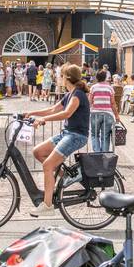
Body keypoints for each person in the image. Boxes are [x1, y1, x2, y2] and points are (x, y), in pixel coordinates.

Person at [27, 64, 91, 217]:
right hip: (67, 133)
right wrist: (30, 113)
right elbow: (52, 109)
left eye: (60, 76)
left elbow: (67, 114)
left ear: (66, 78)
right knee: (38, 152)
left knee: (48, 165)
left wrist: (43, 120)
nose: (58, 78)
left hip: (76, 136)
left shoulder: (78, 95)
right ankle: (67, 177)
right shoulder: (69, 94)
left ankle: (48, 205)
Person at [89, 70, 119, 152]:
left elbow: (90, 102)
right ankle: (104, 155)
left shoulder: (93, 88)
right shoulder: (110, 88)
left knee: (94, 134)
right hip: (108, 114)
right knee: (105, 136)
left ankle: (97, 154)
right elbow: (113, 103)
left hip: (95, 113)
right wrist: (116, 116)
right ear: (105, 78)